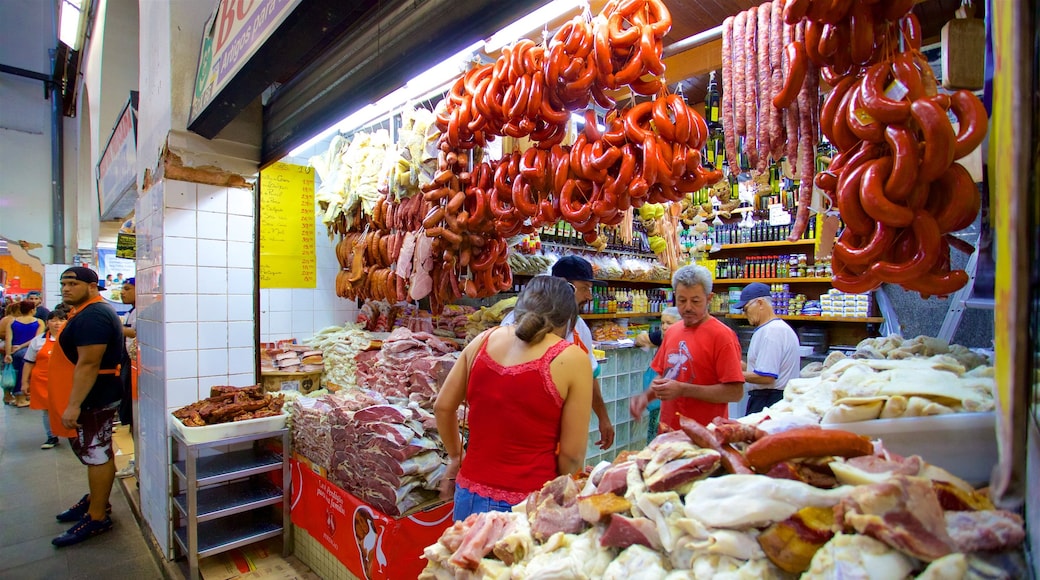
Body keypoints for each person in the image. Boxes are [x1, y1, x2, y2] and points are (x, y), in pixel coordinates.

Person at [435, 276, 593, 521]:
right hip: (531, 504)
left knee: (466, 560)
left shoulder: (482, 340)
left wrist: (456, 456)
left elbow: (443, 407)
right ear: (568, 320)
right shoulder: (572, 358)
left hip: (469, 494)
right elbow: (572, 456)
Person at [501, 255, 614, 450]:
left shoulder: (579, 326)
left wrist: (603, 417)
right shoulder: (513, 324)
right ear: (565, 286)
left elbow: (590, 376)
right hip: (522, 434)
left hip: (564, 436)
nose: (589, 296)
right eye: (585, 288)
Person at [48, 267, 125, 547]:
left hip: (95, 397)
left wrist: (74, 405)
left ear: (92, 286)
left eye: (73, 283)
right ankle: (96, 500)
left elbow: (89, 364)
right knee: (99, 451)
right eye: (63, 283)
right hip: (95, 395)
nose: (66, 288)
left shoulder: (94, 315)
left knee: (96, 454)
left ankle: (97, 517)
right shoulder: (87, 312)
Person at [629, 264, 745, 430]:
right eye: (682, 300)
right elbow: (664, 375)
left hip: (706, 435)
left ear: (709, 298)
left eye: (695, 301)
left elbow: (735, 392)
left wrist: (683, 390)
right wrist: (645, 397)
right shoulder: (672, 331)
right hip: (668, 431)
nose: (688, 307)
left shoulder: (722, 336)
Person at [735, 282, 801, 415]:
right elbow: (765, 369)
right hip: (769, 399)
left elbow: (766, 377)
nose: (744, 313)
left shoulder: (772, 332)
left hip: (769, 402)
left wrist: (731, 374)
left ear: (760, 303)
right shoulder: (773, 328)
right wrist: (739, 366)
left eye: (746, 308)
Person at [22, 306, 70, 449]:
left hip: (66, 380)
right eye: (53, 320)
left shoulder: (70, 339)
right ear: (47, 323)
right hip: (43, 381)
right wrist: (24, 382)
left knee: (69, 406)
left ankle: (74, 433)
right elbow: (29, 363)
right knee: (47, 409)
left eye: (61, 320)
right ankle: (51, 436)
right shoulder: (37, 341)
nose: (57, 323)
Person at [634, 307, 681, 444]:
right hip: (659, 399)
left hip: (675, 399)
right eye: (662, 323)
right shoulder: (662, 337)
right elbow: (640, 339)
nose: (665, 327)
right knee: (655, 435)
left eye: (669, 323)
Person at [4, 300, 45, 407]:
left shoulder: (12, 322)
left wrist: (8, 354)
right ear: (32, 310)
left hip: (15, 352)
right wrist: (22, 346)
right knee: (27, 375)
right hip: (30, 352)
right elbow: (36, 339)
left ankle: (17, 398)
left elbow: (9, 339)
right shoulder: (39, 322)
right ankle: (24, 398)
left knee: (16, 374)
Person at [116, 277, 137, 478]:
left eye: (127, 288)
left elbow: (137, 333)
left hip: (136, 369)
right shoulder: (132, 310)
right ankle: (136, 459)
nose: (123, 292)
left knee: (133, 415)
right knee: (130, 414)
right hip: (130, 366)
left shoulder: (142, 311)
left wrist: (114, 327)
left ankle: (137, 460)